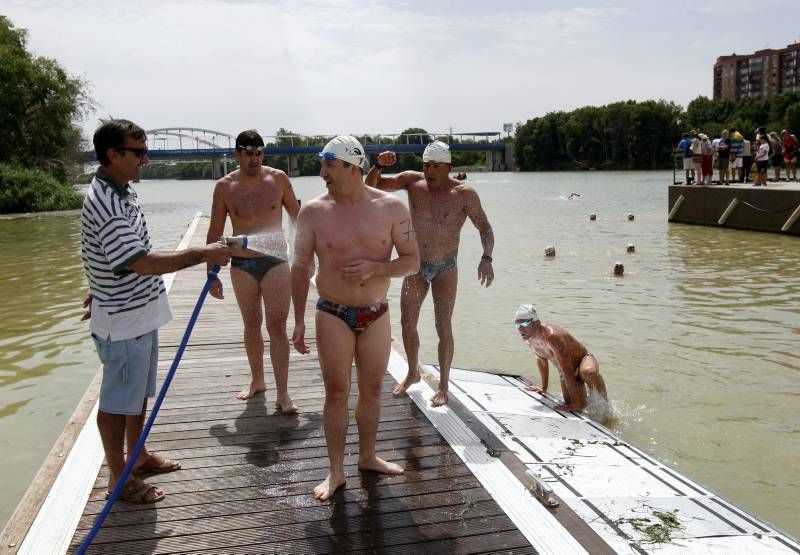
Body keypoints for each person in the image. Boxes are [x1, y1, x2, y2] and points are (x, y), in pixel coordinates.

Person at [81, 119, 232, 503]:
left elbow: (110, 254)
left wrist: (97, 284)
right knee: (116, 402)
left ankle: (139, 454)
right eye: (139, 152)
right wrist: (202, 253)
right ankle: (119, 479)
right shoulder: (106, 201)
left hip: (137, 312)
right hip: (123, 320)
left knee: (136, 394)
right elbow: (141, 261)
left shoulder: (122, 191)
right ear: (113, 154)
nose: (147, 160)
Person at [290, 135, 420, 501]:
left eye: (329, 165)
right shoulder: (313, 212)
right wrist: (298, 320)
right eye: (322, 164)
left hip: (376, 312)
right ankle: (335, 471)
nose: (322, 173)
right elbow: (300, 267)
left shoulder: (392, 208)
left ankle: (367, 456)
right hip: (332, 310)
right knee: (336, 390)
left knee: (373, 389)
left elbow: (413, 260)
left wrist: (376, 267)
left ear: (352, 166)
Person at [366, 141, 495, 406]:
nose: (430, 171)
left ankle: (444, 385)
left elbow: (484, 228)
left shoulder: (464, 194)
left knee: (442, 325)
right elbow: (372, 186)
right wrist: (377, 164)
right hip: (415, 264)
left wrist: (486, 258)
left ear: (449, 166)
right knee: (407, 322)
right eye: (426, 165)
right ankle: (412, 372)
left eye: (436, 166)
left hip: (446, 267)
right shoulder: (413, 182)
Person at [206, 130, 301, 411]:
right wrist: (211, 273)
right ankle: (257, 380)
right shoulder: (224, 187)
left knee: (277, 325)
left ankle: (283, 393)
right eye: (248, 153)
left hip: (276, 261)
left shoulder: (279, 179)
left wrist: (309, 257)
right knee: (251, 323)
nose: (254, 158)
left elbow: (299, 218)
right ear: (237, 154)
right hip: (242, 264)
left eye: (259, 152)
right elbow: (214, 230)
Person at [513, 304, 608, 412]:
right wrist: (544, 387)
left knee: (587, 372)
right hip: (564, 370)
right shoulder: (528, 338)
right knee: (574, 406)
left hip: (583, 360)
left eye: (524, 323)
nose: (520, 329)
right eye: (517, 325)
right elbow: (542, 360)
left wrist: (575, 404)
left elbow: (568, 371)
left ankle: (605, 405)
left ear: (536, 322)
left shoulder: (552, 337)